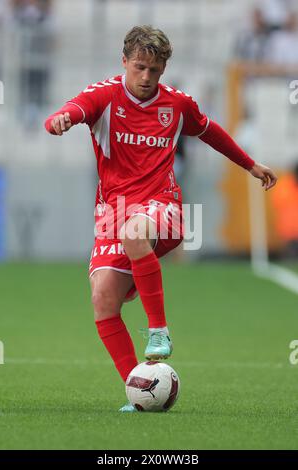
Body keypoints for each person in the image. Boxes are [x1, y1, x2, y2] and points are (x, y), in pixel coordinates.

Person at [45, 25, 277, 412]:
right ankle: (138, 392)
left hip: (162, 206)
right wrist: (60, 120)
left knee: (135, 232)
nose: (146, 77)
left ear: (164, 68)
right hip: (112, 213)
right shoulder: (104, 96)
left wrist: (250, 165)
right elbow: (72, 110)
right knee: (103, 299)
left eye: (155, 70)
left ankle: (158, 330)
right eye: (140, 67)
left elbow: (210, 131)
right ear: (125, 62)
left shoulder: (177, 104)